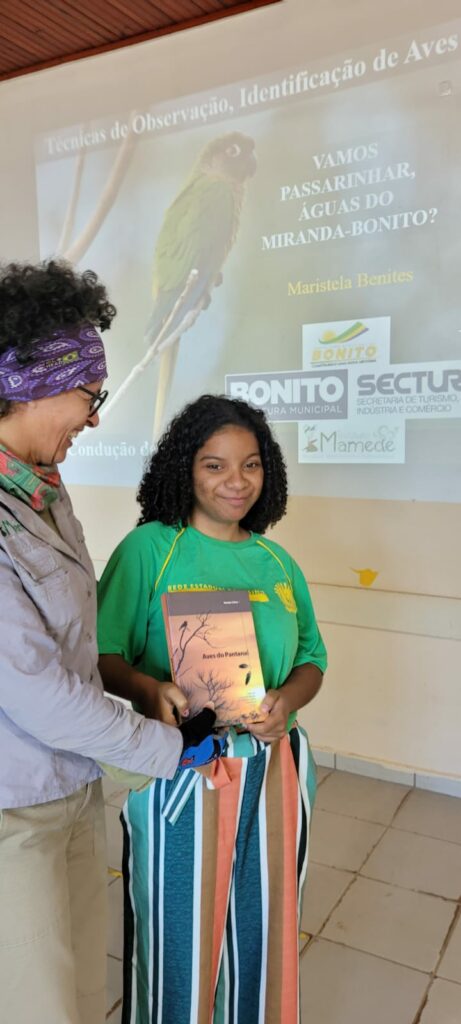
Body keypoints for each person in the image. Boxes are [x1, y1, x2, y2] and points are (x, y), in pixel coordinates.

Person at [0, 260, 216, 1024]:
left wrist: (138, 688)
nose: (94, 419)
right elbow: (32, 687)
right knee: (39, 1003)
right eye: (89, 397)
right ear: (32, 383)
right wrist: (167, 749)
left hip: (71, 785)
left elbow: (66, 638)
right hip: (13, 808)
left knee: (85, 992)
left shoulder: (39, 488)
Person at [97, 393, 327, 1024]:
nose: (236, 481)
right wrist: (149, 690)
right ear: (185, 469)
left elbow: (312, 659)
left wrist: (287, 701)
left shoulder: (277, 561)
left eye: (250, 465)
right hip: (182, 764)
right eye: (215, 465)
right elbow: (101, 653)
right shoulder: (150, 549)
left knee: (265, 925)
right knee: (181, 937)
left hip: (274, 766)